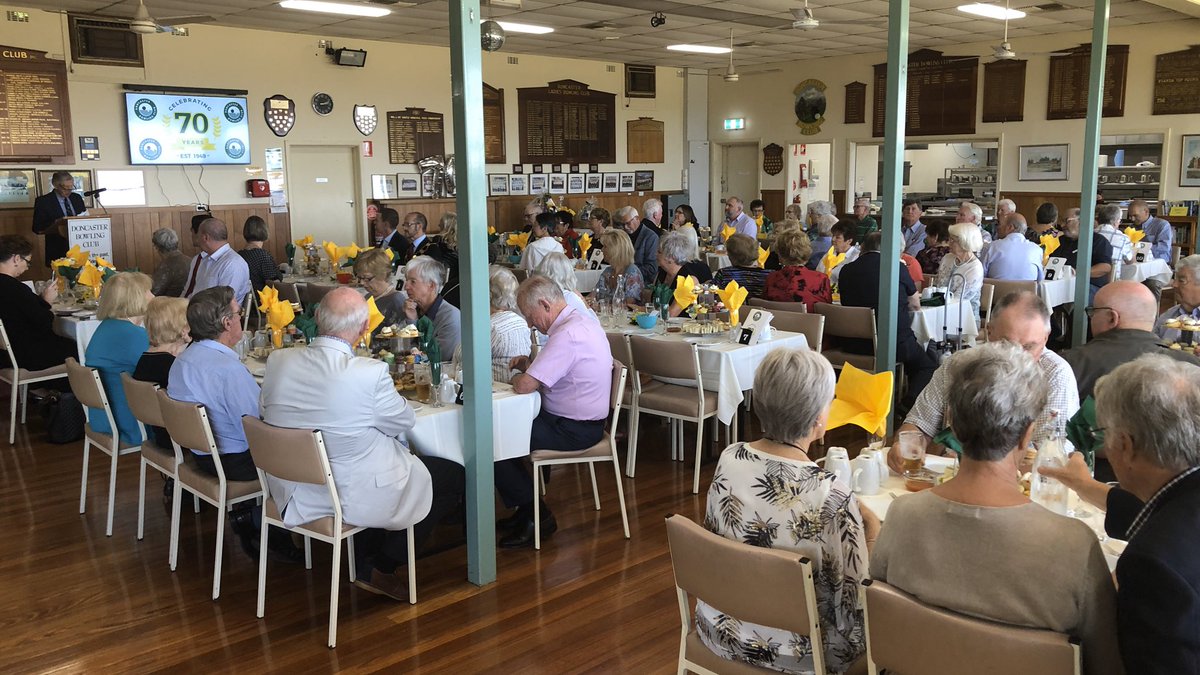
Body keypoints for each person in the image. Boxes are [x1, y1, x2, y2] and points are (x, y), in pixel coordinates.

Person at [870, 342, 1122, 675]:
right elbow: (1105, 663)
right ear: (1027, 436)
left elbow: (882, 621)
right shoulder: (1074, 544)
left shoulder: (902, 515)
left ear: (954, 425)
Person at [260, 288, 465, 601]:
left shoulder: (279, 360)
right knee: (452, 475)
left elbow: (265, 411)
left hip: (292, 486)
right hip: (345, 491)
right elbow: (404, 421)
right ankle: (381, 565)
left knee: (369, 453)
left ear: (318, 317)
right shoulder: (368, 373)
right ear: (365, 328)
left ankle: (366, 551)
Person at [697, 347, 873, 674]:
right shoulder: (832, 495)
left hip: (717, 628)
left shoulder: (730, 458)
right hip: (797, 657)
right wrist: (872, 536)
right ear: (819, 417)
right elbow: (854, 612)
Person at [1036, 355, 1200, 673]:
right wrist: (1085, 486)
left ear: (1124, 445)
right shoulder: (1183, 499)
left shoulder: (1153, 564)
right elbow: (1161, 514)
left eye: (1104, 434)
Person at [168, 286, 300, 562]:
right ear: (227, 323)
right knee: (308, 455)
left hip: (203, 455)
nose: (241, 319)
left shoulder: (183, 359)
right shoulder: (227, 369)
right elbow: (257, 427)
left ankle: (253, 516)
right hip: (236, 462)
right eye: (239, 314)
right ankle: (265, 525)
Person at [888, 291, 1080, 473]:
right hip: (950, 479)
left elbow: (1052, 459)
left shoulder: (1055, 374)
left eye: (1029, 347)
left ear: (1045, 339)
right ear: (989, 332)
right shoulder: (959, 365)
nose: (1017, 357)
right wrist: (905, 447)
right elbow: (919, 424)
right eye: (1007, 345)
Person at [495, 276, 612, 548]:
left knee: (494, 440)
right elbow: (555, 373)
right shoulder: (580, 322)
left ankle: (538, 516)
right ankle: (526, 510)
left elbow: (524, 386)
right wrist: (529, 367)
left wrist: (517, 376)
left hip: (573, 429)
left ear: (546, 305)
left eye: (529, 315)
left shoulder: (568, 335)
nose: (529, 324)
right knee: (502, 433)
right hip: (577, 422)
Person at [839, 232, 937, 403]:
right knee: (927, 365)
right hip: (891, 343)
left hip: (853, 343)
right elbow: (915, 305)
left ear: (863, 247)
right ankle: (907, 404)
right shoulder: (895, 267)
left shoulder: (846, 270)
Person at [84, 272, 153, 447]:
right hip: (130, 424)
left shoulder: (105, 327)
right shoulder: (134, 335)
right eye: (148, 291)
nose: (153, 296)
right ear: (135, 298)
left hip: (103, 419)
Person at [0, 235, 75, 372]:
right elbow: (43, 323)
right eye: (28, 262)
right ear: (16, 259)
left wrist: (41, 300)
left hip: (5, 355)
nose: (27, 268)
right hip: (26, 355)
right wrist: (47, 302)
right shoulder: (16, 288)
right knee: (79, 346)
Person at [452, 266, 532, 382]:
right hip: (513, 386)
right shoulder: (521, 322)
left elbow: (463, 355)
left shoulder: (490, 326)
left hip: (492, 389)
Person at [133, 296, 191, 449]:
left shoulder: (145, 359)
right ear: (183, 329)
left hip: (161, 436)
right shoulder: (172, 366)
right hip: (182, 440)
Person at [403, 255, 460, 358]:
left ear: (431, 285)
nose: (406, 286)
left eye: (413, 281)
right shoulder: (411, 309)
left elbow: (438, 358)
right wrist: (412, 321)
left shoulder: (451, 317)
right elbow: (402, 349)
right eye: (406, 280)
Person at [185, 218, 251, 302]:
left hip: (212, 310)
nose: (197, 240)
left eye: (198, 236)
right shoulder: (204, 260)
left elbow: (224, 303)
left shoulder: (233, 264)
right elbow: (195, 294)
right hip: (195, 308)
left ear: (205, 238)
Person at [764, 229, 831, 311]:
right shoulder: (821, 279)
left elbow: (765, 309)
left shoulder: (771, 278)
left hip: (777, 319)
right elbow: (827, 311)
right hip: (809, 319)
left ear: (779, 254)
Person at [31, 170, 87, 266]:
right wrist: (57, 223)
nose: (69, 191)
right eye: (66, 188)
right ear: (55, 185)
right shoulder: (43, 201)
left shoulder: (77, 198)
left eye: (71, 187)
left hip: (80, 246)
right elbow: (37, 227)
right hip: (58, 247)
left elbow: (84, 217)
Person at [1058, 209, 1114, 304]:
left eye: (1067, 221)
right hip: (1061, 285)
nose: (1062, 225)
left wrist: (1077, 272)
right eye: (1062, 221)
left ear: (1081, 221)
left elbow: (1105, 267)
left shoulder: (1098, 241)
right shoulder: (1060, 241)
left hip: (1088, 286)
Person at [657, 231, 713, 317]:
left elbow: (670, 314)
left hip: (682, 324)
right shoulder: (662, 273)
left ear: (671, 258)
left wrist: (642, 310)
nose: (655, 254)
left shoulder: (689, 281)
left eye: (659, 252)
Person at [935, 222, 984, 320]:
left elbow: (958, 301)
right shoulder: (947, 258)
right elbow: (938, 286)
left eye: (953, 240)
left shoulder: (975, 268)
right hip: (940, 311)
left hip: (964, 318)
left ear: (965, 242)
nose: (948, 243)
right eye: (949, 239)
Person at [353, 248, 407, 329]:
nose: (362, 283)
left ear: (383, 275)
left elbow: (401, 333)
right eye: (360, 278)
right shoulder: (368, 296)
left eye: (367, 278)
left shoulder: (396, 300)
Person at [982, 213, 1043, 281]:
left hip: (997, 288)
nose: (998, 228)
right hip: (1027, 288)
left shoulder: (991, 247)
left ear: (1010, 227)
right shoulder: (1037, 250)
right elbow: (1040, 280)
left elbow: (981, 276)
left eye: (1000, 225)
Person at [593, 229, 644, 309]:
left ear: (615, 250)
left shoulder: (632, 272)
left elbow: (629, 305)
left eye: (605, 246)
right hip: (606, 314)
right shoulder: (608, 272)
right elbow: (593, 294)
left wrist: (601, 307)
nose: (602, 250)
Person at [1154, 254, 1200, 343]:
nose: (1174, 284)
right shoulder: (1169, 315)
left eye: (1181, 281)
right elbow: (1152, 344)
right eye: (1175, 279)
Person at [534, 252, 591, 319]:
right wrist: (583, 300)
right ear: (569, 273)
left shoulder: (535, 296)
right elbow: (593, 322)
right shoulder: (570, 297)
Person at [712, 233, 769, 298]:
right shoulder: (768, 275)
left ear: (731, 255)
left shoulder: (723, 274)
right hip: (760, 304)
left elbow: (712, 293)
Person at [237, 216, 281, 293]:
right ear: (264, 231)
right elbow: (275, 284)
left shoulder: (239, 255)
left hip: (246, 297)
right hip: (263, 298)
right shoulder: (263, 256)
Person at [618, 205, 659, 284]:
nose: (625, 227)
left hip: (643, 282)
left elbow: (652, 268)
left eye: (628, 223)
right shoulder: (624, 235)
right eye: (623, 224)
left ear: (637, 218)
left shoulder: (651, 237)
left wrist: (629, 272)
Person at [816, 220, 860, 285]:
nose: (833, 239)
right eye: (833, 235)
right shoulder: (830, 253)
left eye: (837, 237)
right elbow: (818, 272)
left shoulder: (856, 258)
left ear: (849, 241)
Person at [1128, 199, 1173, 263]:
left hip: (1157, 262)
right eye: (1130, 216)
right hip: (1137, 261)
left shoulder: (1162, 225)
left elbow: (1164, 247)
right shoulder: (1131, 227)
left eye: (1135, 215)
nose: (1132, 219)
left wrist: (1140, 248)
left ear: (1146, 212)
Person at [1095, 203, 1132, 279]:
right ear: (1115, 221)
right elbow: (1130, 261)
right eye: (1120, 220)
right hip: (1112, 281)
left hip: (1087, 278)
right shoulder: (1122, 238)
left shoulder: (1089, 234)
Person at [149, 228, 190, 297]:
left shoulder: (165, 266)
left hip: (171, 302)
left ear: (157, 247)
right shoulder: (190, 260)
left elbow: (153, 292)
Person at [807, 204, 835, 268]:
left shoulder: (809, 244)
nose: (810, 215)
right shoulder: (835, 247)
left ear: (819, 216)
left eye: (812, 213)